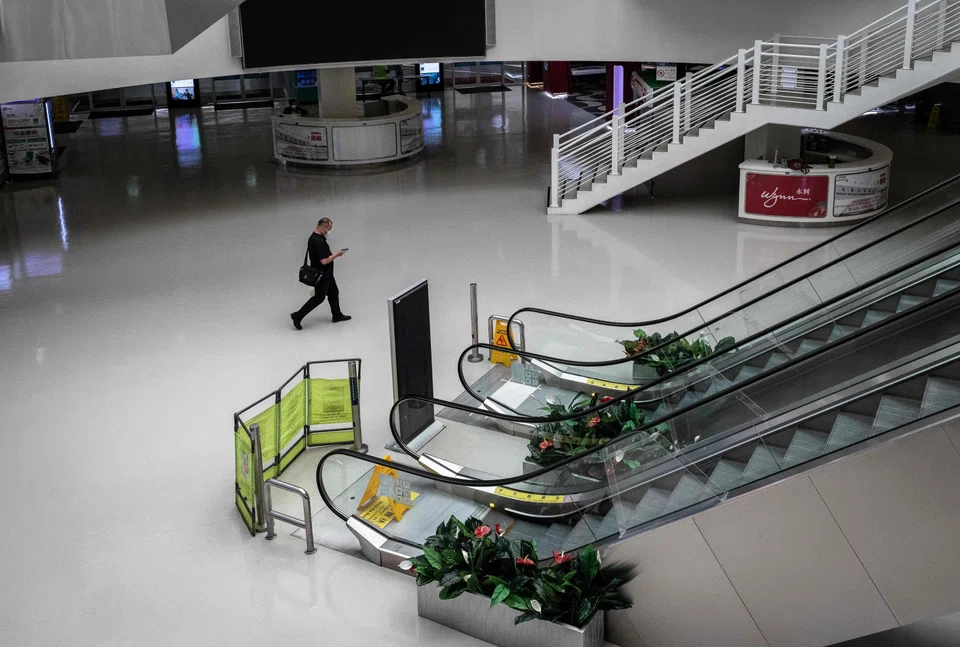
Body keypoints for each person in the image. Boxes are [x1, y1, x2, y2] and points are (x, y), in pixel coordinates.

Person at [291, 218, 351, 329]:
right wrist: (338, 254)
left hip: (326, 274)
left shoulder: (315, 237)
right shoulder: (318, 241)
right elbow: (324, 260)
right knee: (319, 298)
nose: (329, 231)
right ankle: (297, 316)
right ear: (322, 227)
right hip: (322, 275)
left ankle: (337, 315)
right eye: (328, 229)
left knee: (333, 292)